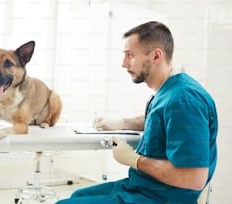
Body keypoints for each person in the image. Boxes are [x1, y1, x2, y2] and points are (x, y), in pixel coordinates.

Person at [56, 21, 218, 204]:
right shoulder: (170, 91)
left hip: (161, 197)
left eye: (130, 56)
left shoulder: (184, 100)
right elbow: (161, 121)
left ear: (156, 56)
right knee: (78, 196)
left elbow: (194, 178)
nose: (124, 64)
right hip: (143, 186)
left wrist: (135, 160)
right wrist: (123, 123)